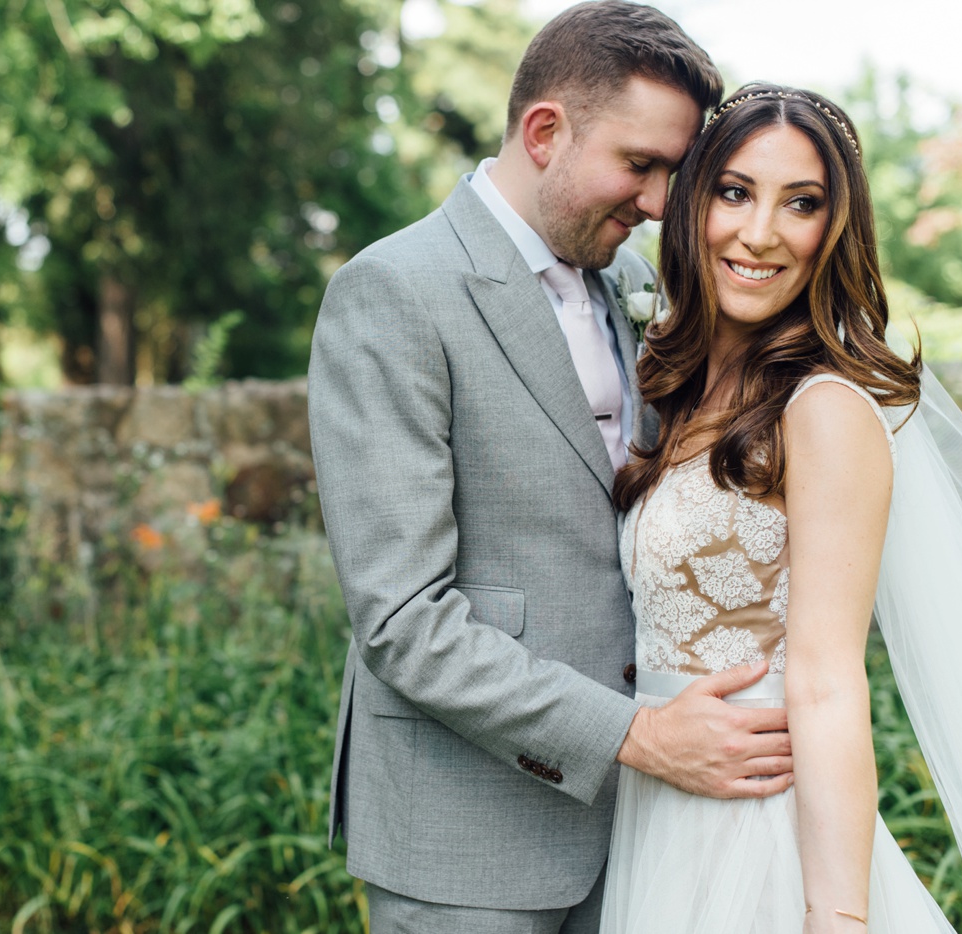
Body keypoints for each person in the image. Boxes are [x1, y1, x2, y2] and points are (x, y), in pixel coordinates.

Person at [309, 4, 797, 929]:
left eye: (674, 172)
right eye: (640, 165)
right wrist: (641, 734)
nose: (659, 202)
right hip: (465, 836)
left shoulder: (632, 286)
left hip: (642, 838)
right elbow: (405, 619)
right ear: (545, 132)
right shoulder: (392, 292)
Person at [600, 82, 962, 933]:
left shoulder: (822, 410)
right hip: (655, 815)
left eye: (802, 204)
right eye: (734, 192)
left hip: (756, 831)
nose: (761, 233)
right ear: (691, 205)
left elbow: (828, 683)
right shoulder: (677, 391)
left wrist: (837, 916)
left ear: (835, 231)